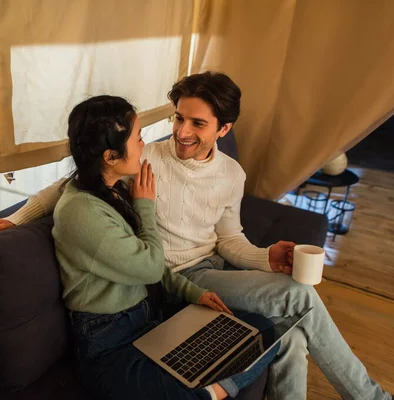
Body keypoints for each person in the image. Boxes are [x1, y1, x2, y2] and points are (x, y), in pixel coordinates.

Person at [0, 73, 394, 400]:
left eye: (197, 123)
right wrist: (18, 219)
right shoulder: (145, 160)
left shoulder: (231, 174)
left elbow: (229, 239)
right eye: (178, 118)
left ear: (224, 128)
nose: (181, 132)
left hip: (213, 268)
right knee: (300, 297)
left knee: (289, 329)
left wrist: (264, 257)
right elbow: (70, 185)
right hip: (178, 277)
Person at [47, 95, 275, 400]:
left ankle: (208, 392)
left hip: (151, 318)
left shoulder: (113, 189)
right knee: (186, 392)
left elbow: (151, 269)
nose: (144, 145)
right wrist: (145, 207)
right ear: (110, 156)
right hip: (109, 346)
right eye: (138, 138)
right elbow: (152, 266)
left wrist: (194, 293)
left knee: (262, 332)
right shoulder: (81, 213)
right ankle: (208, 395)